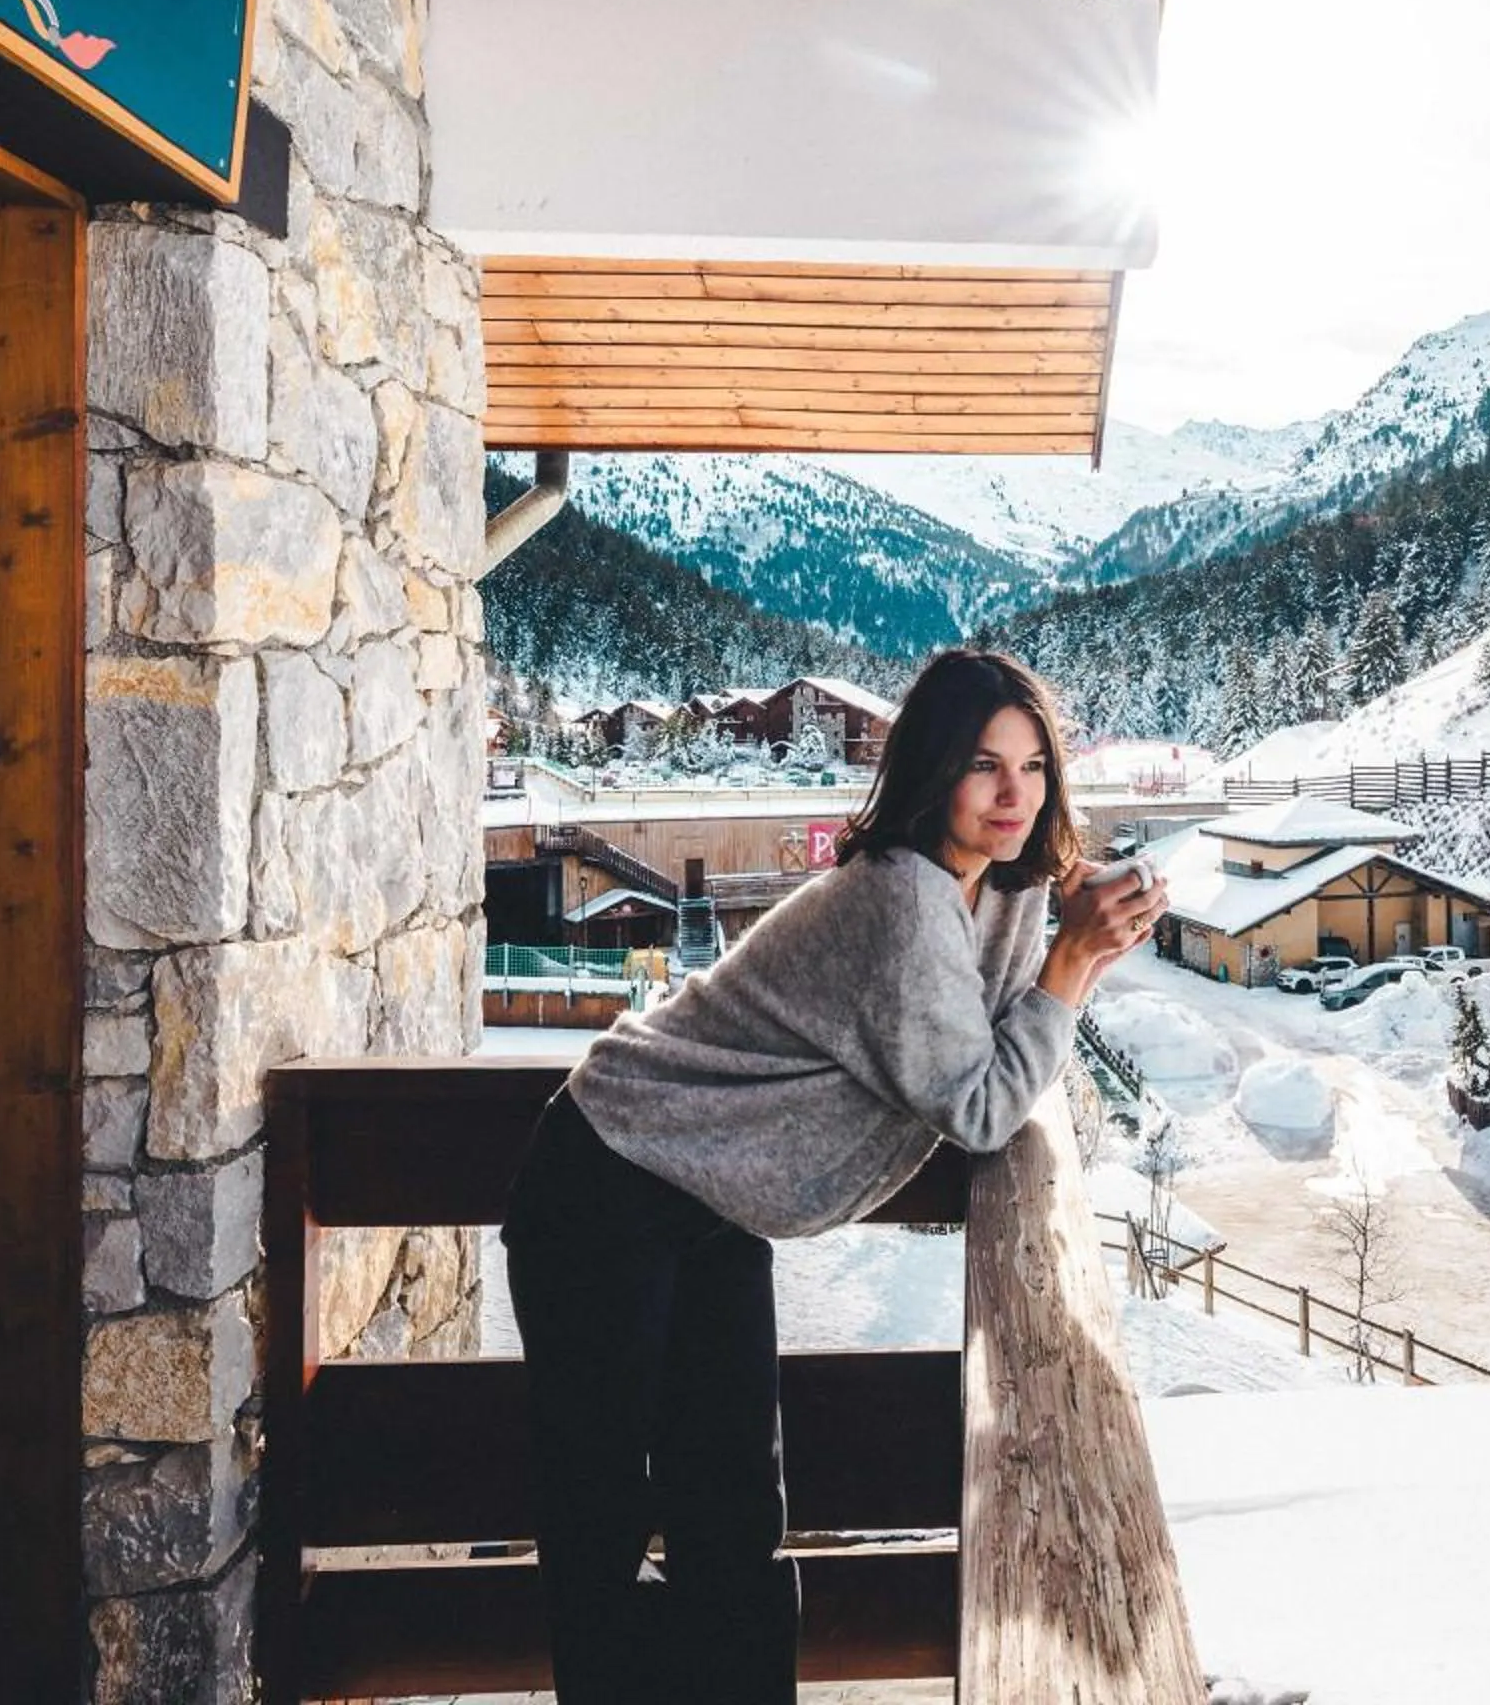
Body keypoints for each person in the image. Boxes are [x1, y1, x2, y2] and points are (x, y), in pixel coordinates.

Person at [498, 649, 1166, 1702]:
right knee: (601, 1514)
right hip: (609, 1178)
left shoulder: (1000, 889)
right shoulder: (899, 898)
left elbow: (990, 1048)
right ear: (932, 770)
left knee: (733, 1509)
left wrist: (1070, 913)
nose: (1013, 794)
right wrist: (1074, 965)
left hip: (710, 1202)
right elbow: (980, 1106)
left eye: (1034, 767)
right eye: (983, 765)